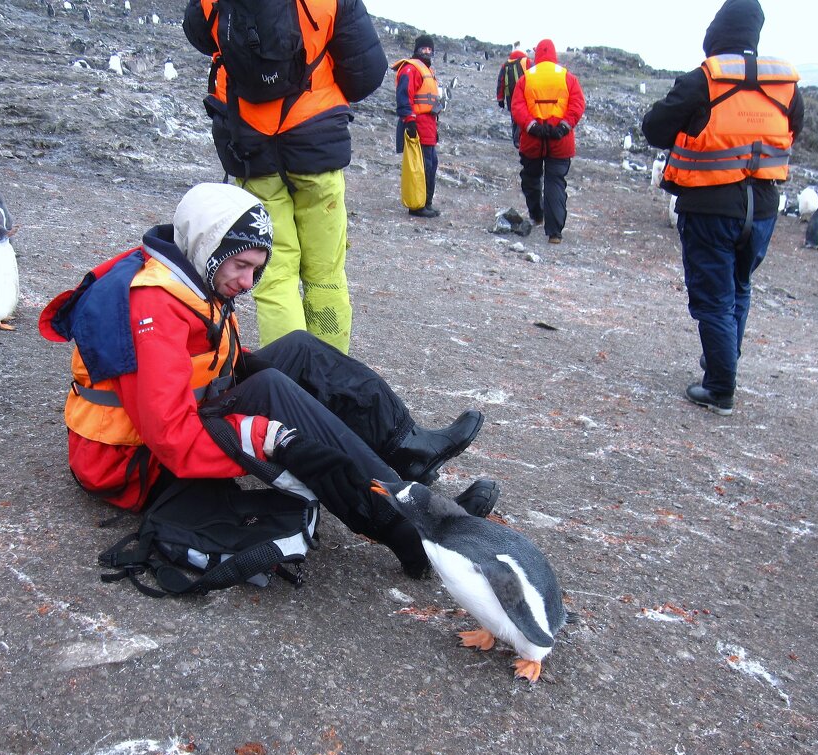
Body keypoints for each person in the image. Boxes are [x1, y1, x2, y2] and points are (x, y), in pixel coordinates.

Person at [39, 183, 499, 579]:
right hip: (134, 466)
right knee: (271, 390)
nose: (247, 281)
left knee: (297, 348)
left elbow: (206, 364)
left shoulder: (189, 271)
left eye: (256, 268)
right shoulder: (153, 308)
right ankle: (411, 530)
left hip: (172, 423)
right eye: (239, 265)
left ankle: (407, 449)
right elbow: (173, 441)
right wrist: (268, 436)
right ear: (209, 245)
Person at [182, 0, 387, 355]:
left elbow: (201, 37)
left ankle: (293, 376)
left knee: (275, 278)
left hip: (252, 149)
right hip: (317, 146)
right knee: (325, 276)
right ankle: (330, 375)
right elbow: (366, 73)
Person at [641, 0, 803, 416]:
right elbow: (793, 130)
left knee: (713, 297)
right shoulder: (784, 85)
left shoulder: (705, 80)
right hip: (763, 206)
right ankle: (723, 358)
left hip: (711, 206)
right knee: (740, 287)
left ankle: (719, 387)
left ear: (715, 33)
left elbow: (655, 128)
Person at [509, 39, 586, 243]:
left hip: (532, 140)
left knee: (531, 179)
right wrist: (563, 126)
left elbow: (517, 106)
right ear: (554, 55)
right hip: (560, 141)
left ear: (537, 56)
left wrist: (532, 125)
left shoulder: (526, 79)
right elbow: (577, 105)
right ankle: (555, 233)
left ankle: (537, 214)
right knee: (555, 183)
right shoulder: (568, 78)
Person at [394, 35, 441, 219]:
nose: (427, 52)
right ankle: (418, 205)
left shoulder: (427, 70)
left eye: (430, 49)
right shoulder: (411, 69)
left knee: (431, 164)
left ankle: (426, 203)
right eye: (424, 49)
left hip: (429, 125)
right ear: (417, 49)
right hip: (418, 124)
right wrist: (409, 120)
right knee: (421, 166)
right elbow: (404, 96)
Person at [496, 46, 530, 148]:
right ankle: (519, 140)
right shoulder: (526, 61)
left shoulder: (505, 64)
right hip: (524, 94)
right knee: (523, 116)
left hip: (510, 96)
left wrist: (500, 99)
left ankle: (516, 139)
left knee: (514, 117)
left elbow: (500, 82)